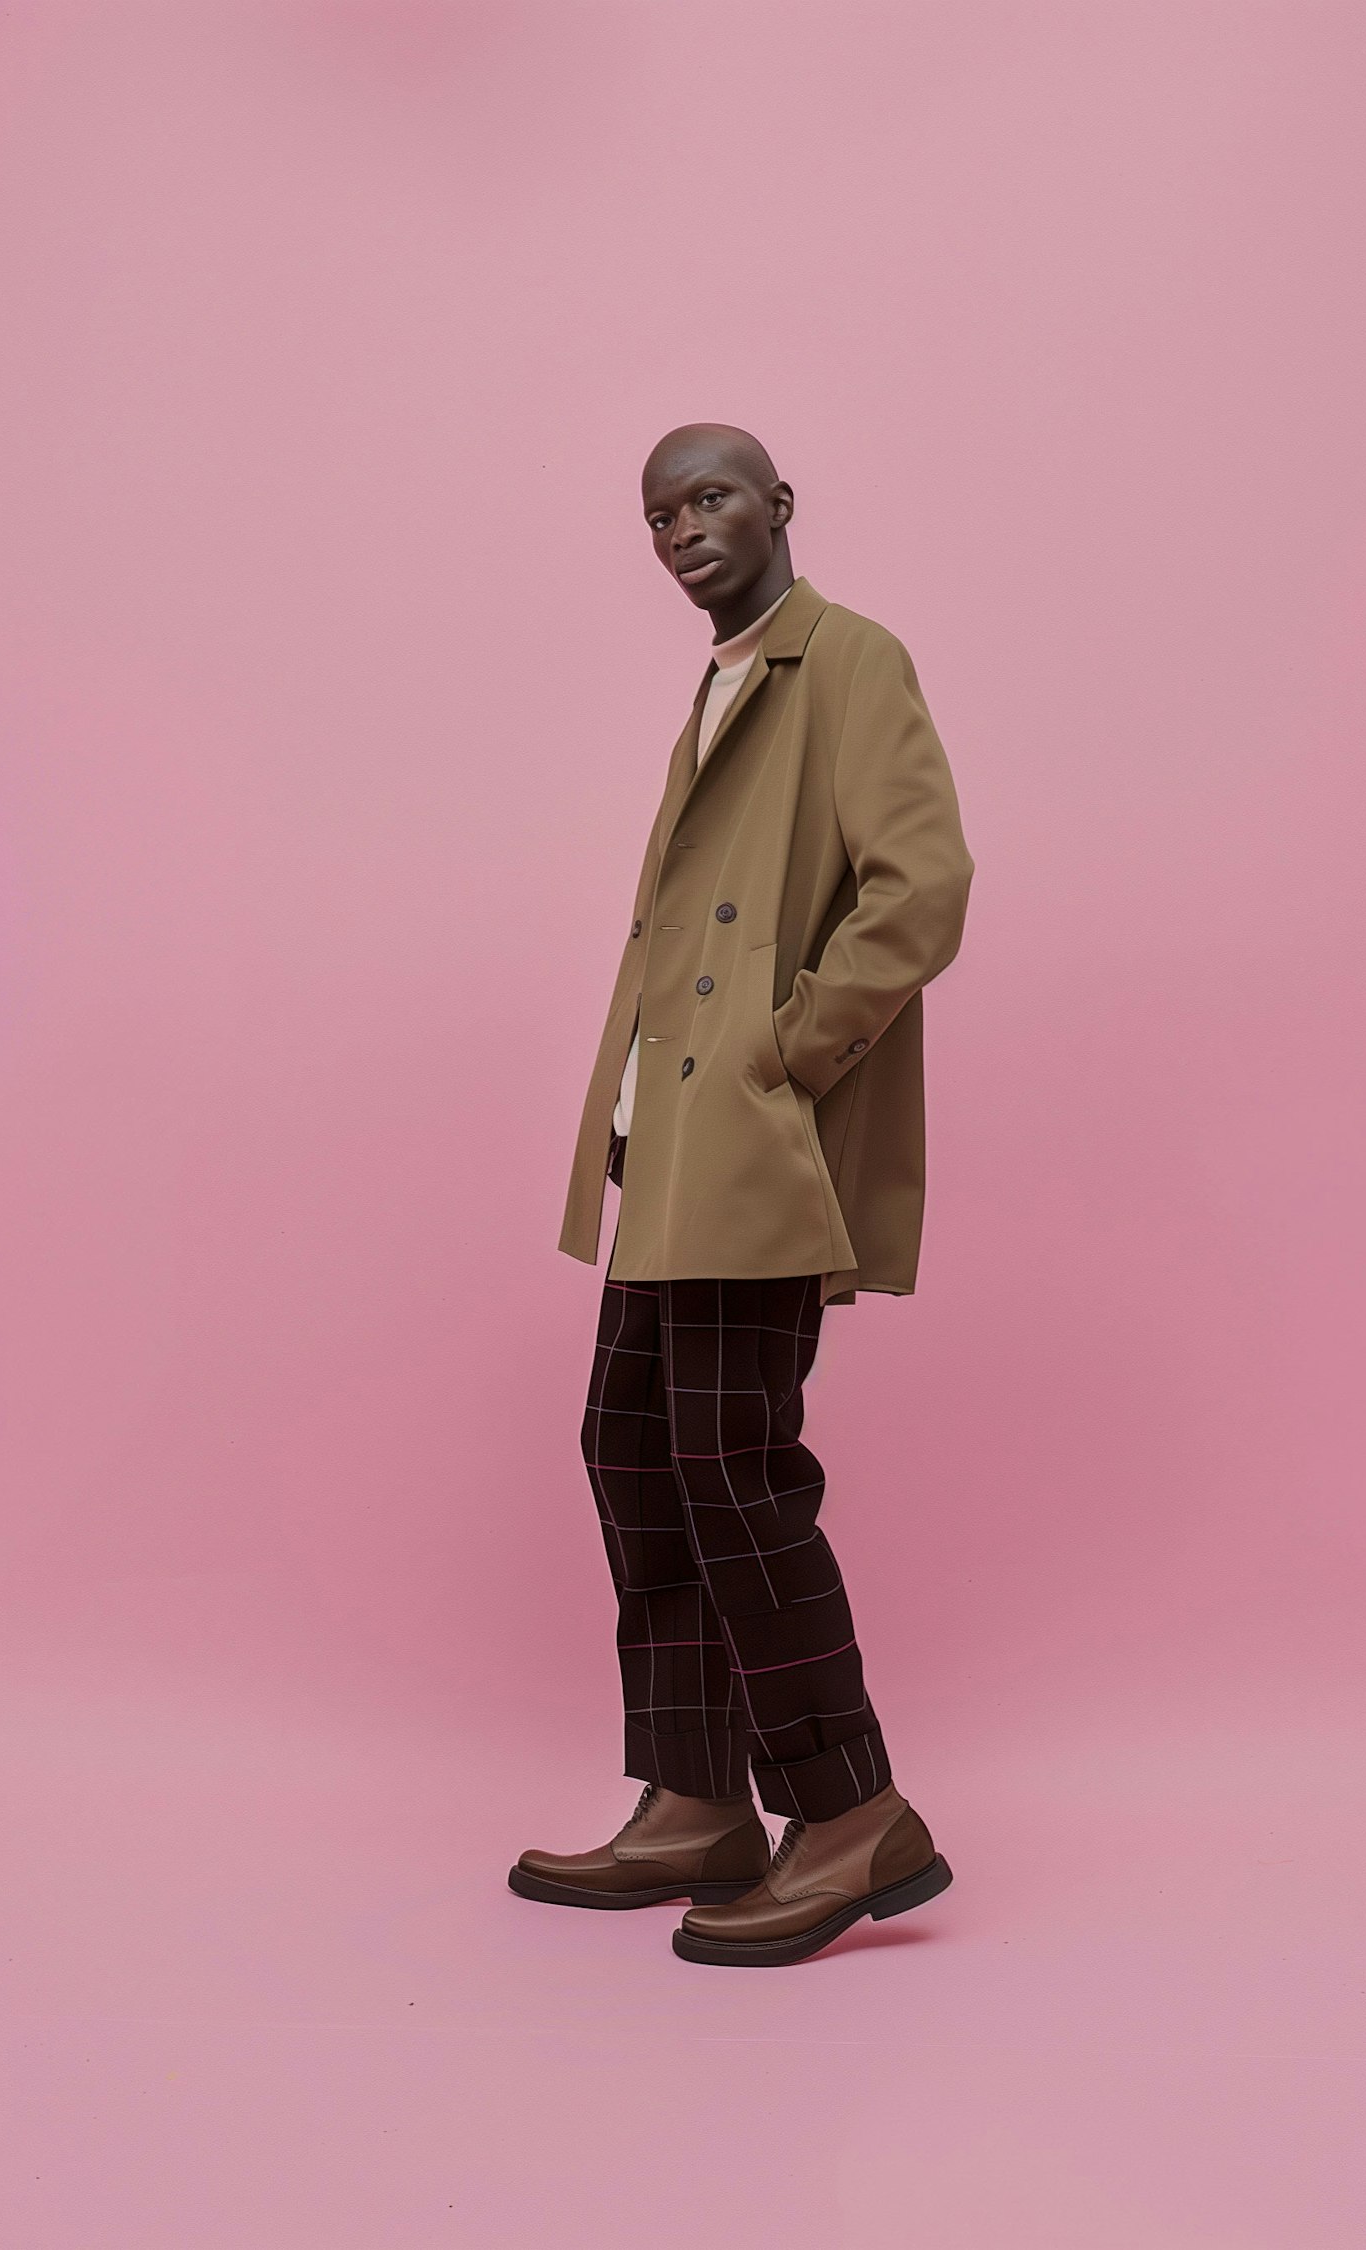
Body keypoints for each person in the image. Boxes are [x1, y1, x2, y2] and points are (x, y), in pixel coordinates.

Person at [509, 423, 975, 1967]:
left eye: (708, 497)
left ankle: (846, 1810)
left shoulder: (847, 660)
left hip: (751, 1142)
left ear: (780, 505)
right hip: (671, 1145)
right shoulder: (720, 682)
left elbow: (919, 888)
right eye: (657, 513)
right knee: (633, 1447)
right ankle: (700, 1793)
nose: (681, 528)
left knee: (732, 1461)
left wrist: (785, 1053)